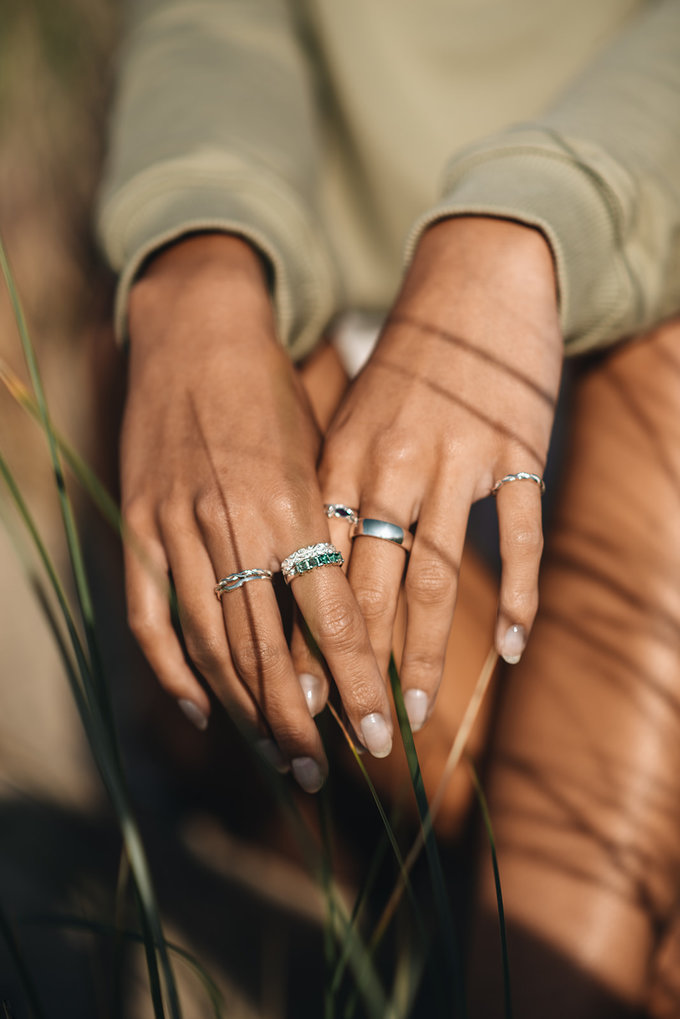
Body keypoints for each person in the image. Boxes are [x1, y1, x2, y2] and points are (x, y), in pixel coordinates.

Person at [96, 1, 680, 1013]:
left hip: (630, 269)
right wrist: (200, 254)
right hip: (340, 343)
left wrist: (523, 226)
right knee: (241, 402)